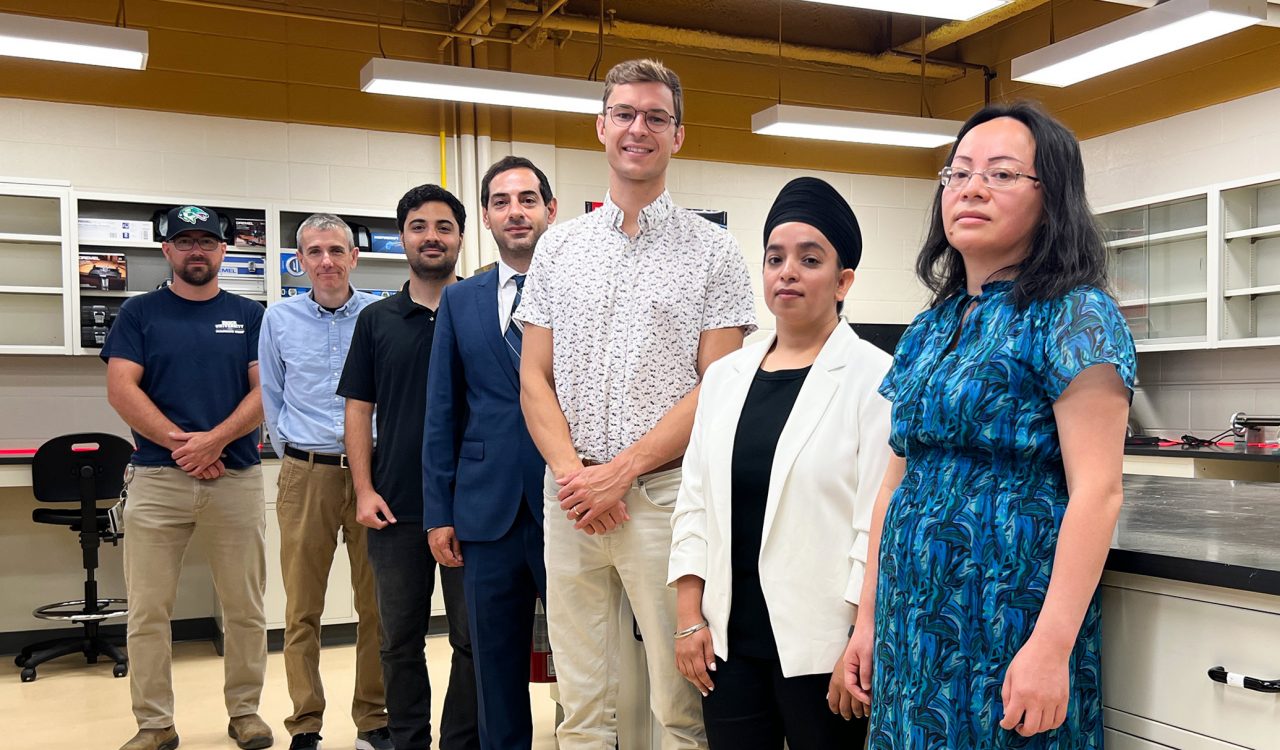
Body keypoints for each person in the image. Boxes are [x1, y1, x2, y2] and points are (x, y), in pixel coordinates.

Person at [842, 102, 1136, 749]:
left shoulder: (1075, 317)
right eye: (958, 173)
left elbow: (1099, 491)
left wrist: (1051, 648)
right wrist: (867, 622)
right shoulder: (931, 326)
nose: (971, 187)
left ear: (1051, 198)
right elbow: (893, 486)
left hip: (1010, 623)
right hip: (913, 626)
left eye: (1002, 174)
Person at [517, 58, 757, 749]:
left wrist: (618, 474)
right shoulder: (558, 249)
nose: (638, 128)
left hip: (665, 499)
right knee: (580, 707)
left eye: (655, 116)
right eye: (624, 113)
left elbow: (718, 385)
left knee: (680, 704)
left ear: (678, 135)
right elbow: (534, 377)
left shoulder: (714, 253)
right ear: (601, 127)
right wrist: (577, 477)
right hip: (570, 502)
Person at [669, 177, 888, 749]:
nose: (787, 271)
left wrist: (855, 641)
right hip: (727, 645)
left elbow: (875, 527)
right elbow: (693, 505)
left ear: (843, 282)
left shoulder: (877, 379)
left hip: (823, 652)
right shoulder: (724, 377)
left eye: (809, 259)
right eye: (775, 257)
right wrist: (689, 617)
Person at [103, 205, 273, 750]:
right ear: (166, 251)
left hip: (236, 479)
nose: (195, 250)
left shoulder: (251, 315)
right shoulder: (139, 314)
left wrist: (216, 441)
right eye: (184, 241)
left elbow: (265, 390)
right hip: (158, 479)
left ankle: (245, 713)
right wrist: (187, 446)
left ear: (224, 250)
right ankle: (155, 724)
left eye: (207, 241)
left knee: (245, 607)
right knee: (149, 610)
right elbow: (122, 390)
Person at [423, 155, 557, 750]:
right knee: (494, 668)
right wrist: (439, 512)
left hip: (569, 501)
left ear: (550, 211)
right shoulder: (461, 300)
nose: (516, 212)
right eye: (501, 202)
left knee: (583, 662)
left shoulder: (581, 292)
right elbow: (442, 411)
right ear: (485, 216)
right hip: (485, 512)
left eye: (528, 199)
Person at [338, 185, 479, 750]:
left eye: (444, 227)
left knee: (471, 639)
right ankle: (407, 738)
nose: (432, 237)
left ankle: (462, 741)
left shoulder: (482, 312)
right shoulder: (376, 321)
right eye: (419, 226)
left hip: (470, 505)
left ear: (460, 238)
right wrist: (363, 489)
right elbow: (358, 409)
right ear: (403, 238)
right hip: (395, 506)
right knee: (397, 638)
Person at [258, 214, 391, 750]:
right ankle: (305, 723)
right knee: (301, 608)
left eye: (337, 250)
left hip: (374, 475)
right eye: (315, 252)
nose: (327, 262)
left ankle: (373, 719)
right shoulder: (279, 319)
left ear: (354, 257)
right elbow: (271, 394)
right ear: (300, 262)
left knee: (375, 606)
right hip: (304, 474)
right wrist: (294, 451)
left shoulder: (380, 316)